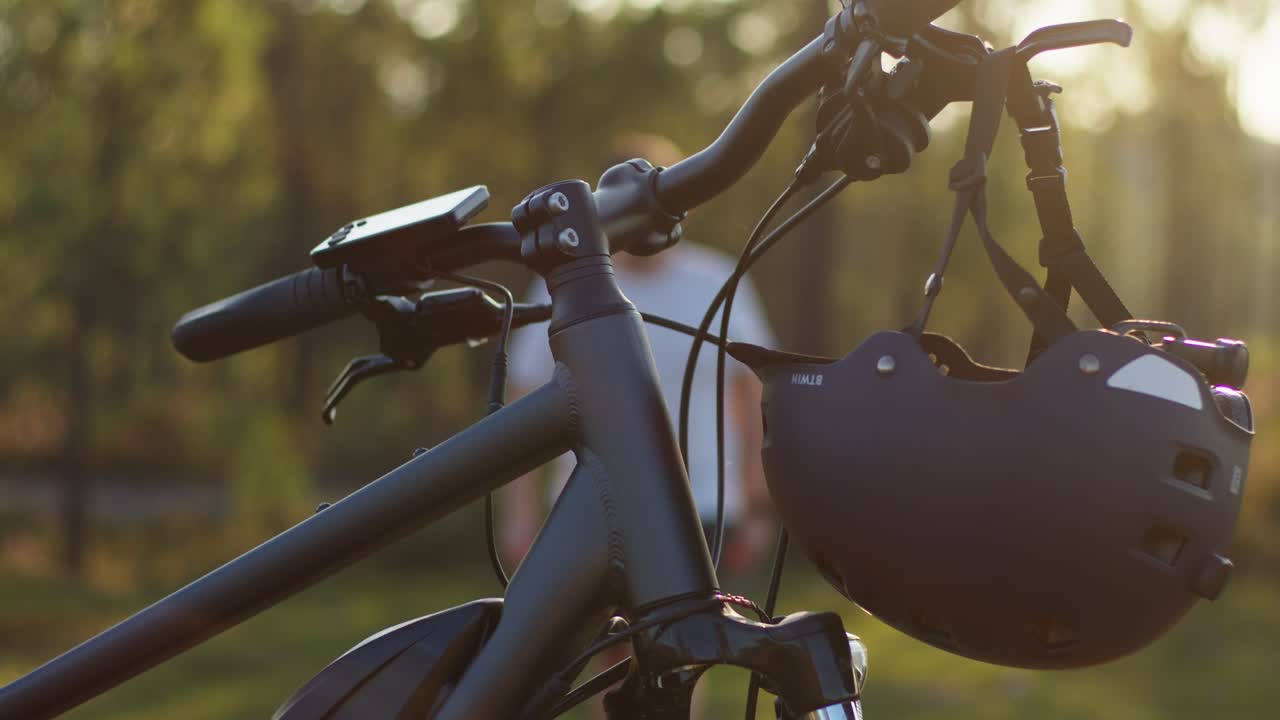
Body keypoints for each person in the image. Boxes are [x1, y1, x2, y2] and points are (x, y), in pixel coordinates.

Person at [500, 135, 777, 578]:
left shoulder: (718, 280)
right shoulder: (562, 286)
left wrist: (757, 504)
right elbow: (524, 397)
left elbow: (750, 394)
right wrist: (521, 513)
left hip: (706, 506)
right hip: (592, 511)